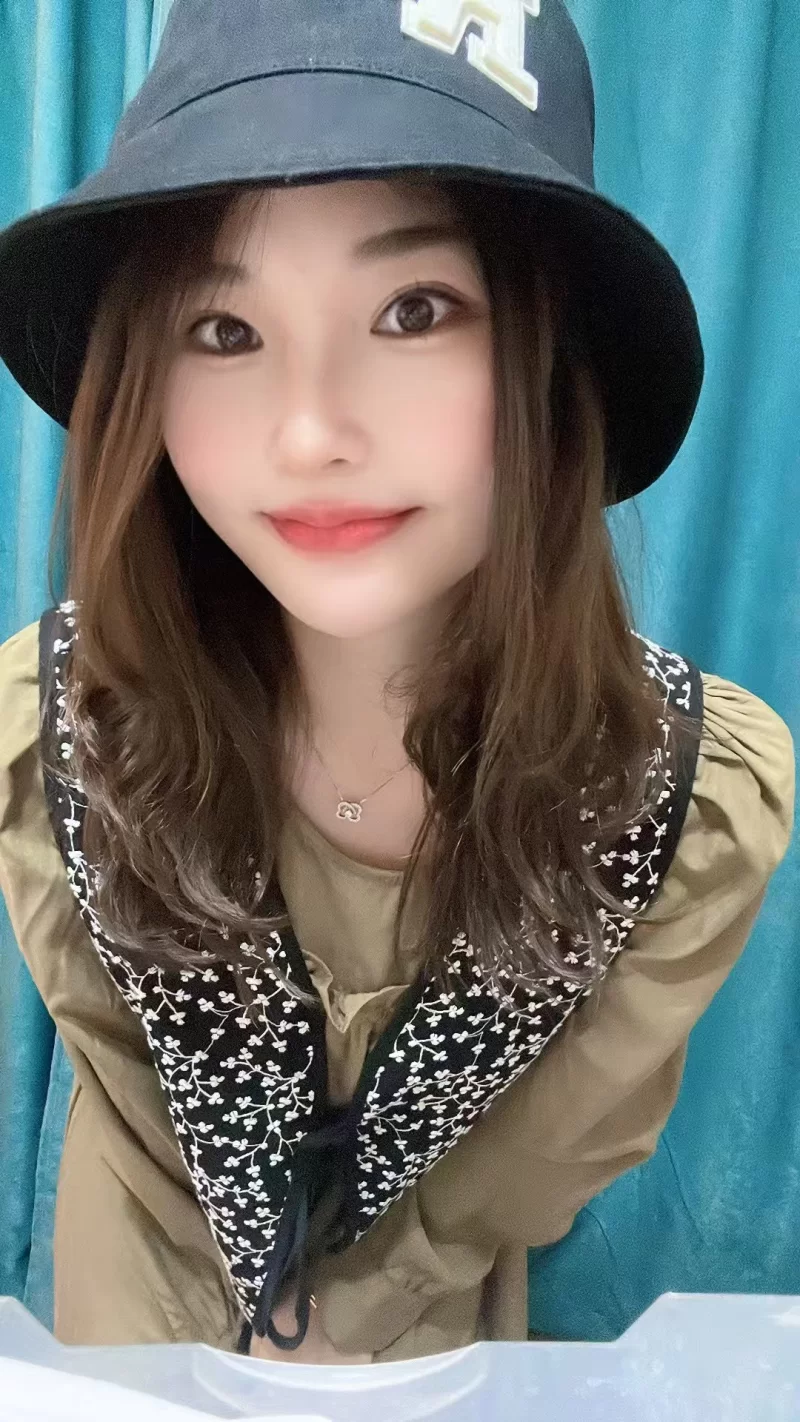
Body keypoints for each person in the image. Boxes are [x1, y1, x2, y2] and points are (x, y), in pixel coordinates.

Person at [0, 0, 794, 1368]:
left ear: (545, 354)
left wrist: (350, 1348)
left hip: (431, 1362)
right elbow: (137, 1129)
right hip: (129, 1344)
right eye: (223, 328)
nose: (312, 429)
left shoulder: (675, 801)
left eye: (412, 310)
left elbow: (514, 1184)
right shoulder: (59, 727)